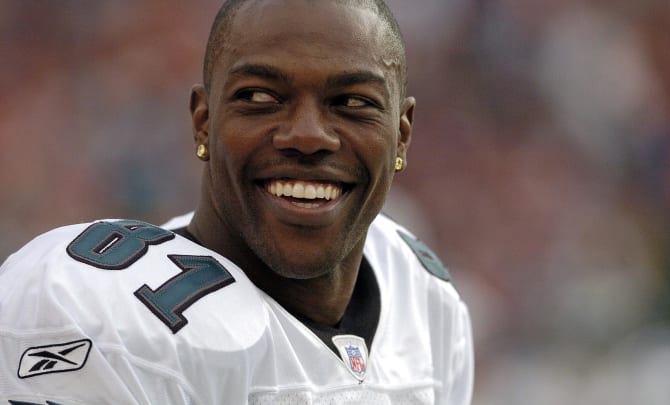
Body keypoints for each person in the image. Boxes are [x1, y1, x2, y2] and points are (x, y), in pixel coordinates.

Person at [0, 0, 474, 403]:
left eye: (352, 102)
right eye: (261, 96)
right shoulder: (99, 316)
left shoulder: (424, 297)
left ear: (402, 136)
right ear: (204, 122)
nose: (307, 136)